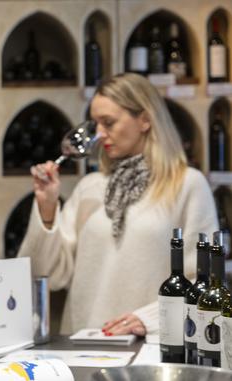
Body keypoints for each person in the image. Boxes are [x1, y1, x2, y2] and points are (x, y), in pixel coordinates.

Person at [17, 73, 218, 337]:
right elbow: (47, 275)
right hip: (84, 346)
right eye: (95, 125)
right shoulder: (90, 186)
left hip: (153, 348)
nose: (99, 135)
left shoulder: (187, 185)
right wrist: (46, 208)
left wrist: (149, 319)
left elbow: (205, 281)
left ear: (145, 119)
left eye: (108, 123)